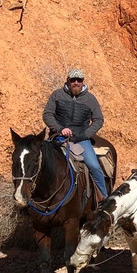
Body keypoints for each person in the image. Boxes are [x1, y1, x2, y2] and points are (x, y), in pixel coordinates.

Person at [43, 68, 107, 200]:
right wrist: (60, 128)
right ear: (68, 81)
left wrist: (85, 134)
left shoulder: (90, 99)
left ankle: (104, 200)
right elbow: (47, 114)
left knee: (94, 166)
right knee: (42, 162)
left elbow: (98, 120)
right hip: (58, 137)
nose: (76, 83)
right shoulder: (57, 95)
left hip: (81, 140)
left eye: (79, 80)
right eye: (73, 80)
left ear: (83, 82)